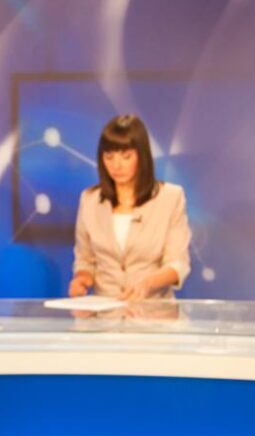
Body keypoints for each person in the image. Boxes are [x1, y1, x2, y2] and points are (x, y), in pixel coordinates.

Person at [68, 114, 190, 300]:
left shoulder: (170, 198)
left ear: (142, 156)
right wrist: (81, 279)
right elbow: (85, 259)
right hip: (105, 312)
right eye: (109, 157)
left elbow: (178, 263)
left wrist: (148, 283)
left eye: (126, 157)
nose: (116, 166)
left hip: (153, 311)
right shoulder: (90, 200)